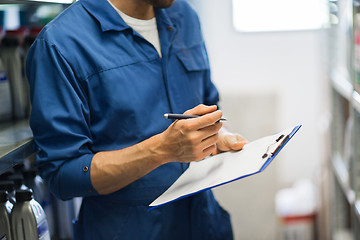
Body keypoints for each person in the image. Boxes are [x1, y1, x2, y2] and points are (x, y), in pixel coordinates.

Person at [26, 0, 247, 239]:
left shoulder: (183, 15)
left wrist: (215, 136)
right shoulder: (61, 43)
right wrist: (160, 150)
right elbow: (63, 174)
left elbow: (207, 100)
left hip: (203, 222)